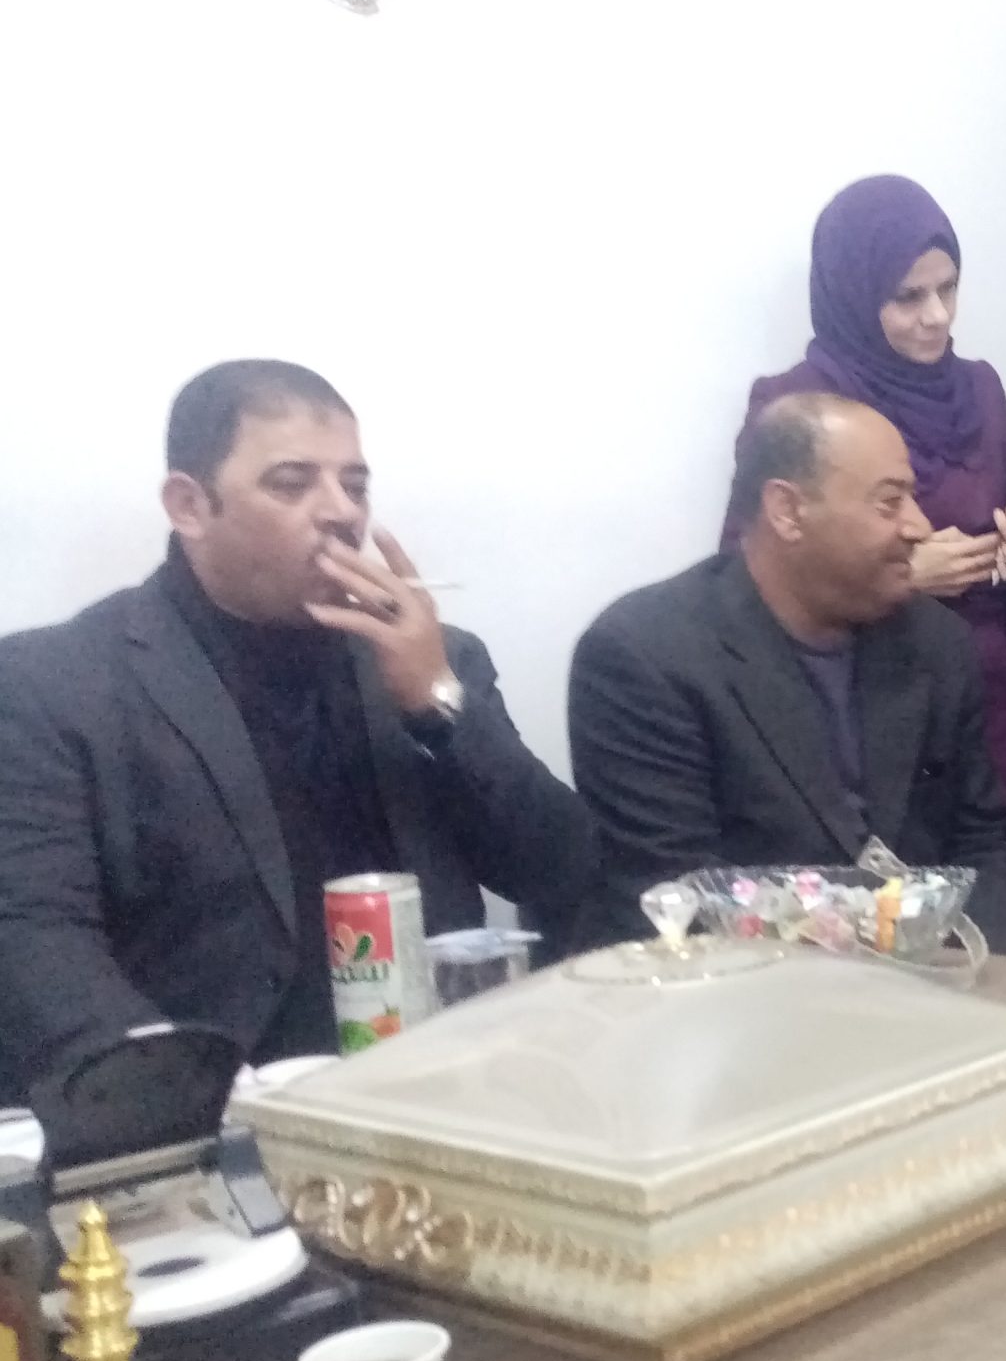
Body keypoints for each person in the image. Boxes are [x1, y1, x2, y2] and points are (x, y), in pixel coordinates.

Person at [0, 359, 596, 1120]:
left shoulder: (429, 659)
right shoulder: (56, 685)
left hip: (445, 1091)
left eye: (355, 485)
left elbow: (562, 869)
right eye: (292, 484)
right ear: (190, 505)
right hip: (219, 1111)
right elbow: (36, 943)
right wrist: (172, 1102)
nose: (340, 512)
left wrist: (437, 705)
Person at [577, 392, 1006, 960]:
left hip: (930, 969)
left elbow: (985, 847)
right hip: (751, 985)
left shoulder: (936, 642)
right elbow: (677, 900)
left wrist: (997, 982)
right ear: (787, 511)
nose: (920, 526)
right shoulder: (647, 656)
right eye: (890, 503)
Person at [737, 175, 1006, 929]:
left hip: (997, 694)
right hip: (873, 701)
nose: (937, 316)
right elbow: (751, 579)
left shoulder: (979, 389)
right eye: (908, 298)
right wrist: (906, 576)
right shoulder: (797, 405)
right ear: (856, 296)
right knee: (899, 929)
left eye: (948, 289)